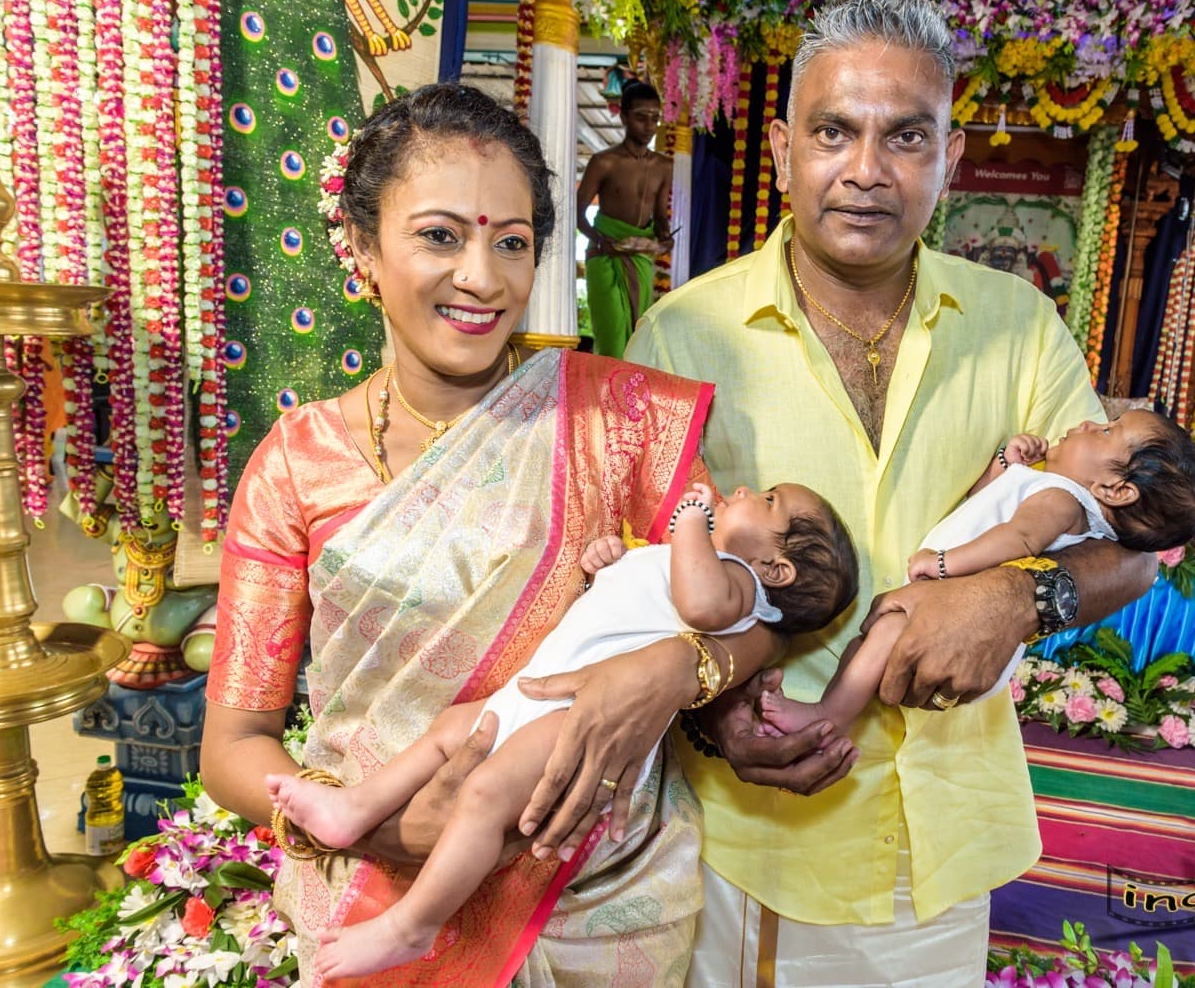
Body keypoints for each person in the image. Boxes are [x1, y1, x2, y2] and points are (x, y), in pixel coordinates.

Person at [624, 0, 1160, 984]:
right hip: (754, 839)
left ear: (949, 160)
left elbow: (1134, 546)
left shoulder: (1019, 324)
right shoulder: (681, 337)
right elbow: (634, 573)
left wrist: (1017, 596)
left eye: (906, 137)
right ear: (783, 147)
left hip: (943, 839)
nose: (867, 170)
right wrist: (711, 715)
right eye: (835, 132)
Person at [201, 82, 779, 988]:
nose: (481, 276)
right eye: (440, 235)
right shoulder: (297, 463)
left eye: (511, 243)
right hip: (370, 899)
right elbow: (234, 744)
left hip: (598, 898)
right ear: (361, 246)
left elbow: (757, 615)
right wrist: (371, 824)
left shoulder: (618, 422)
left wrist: (671, 670)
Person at [267, 480, 858, 979]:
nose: (747, 489)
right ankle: (356, 809)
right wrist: (610, 560)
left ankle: (411, 925)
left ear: (776, 568)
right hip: (542, 688)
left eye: (771, 499)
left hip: (583, 718)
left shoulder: (740, 588)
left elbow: (699, 607)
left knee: (485, 793)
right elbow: (643, 593)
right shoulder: (705, 564)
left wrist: (690, 520)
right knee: (450, 729)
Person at [761, 414, 1195, 739]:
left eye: (1105, 431)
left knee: (879, 642)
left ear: (1116, 490)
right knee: (871, 646)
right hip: (942, 604)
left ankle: (826, 716)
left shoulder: (1062, 500)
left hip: (949, 605)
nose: (1086, 424)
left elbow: (1017, 540)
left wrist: (944, 564)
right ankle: (829, 711)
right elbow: (984, 505)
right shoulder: (1052, 489)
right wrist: (1005, 466)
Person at [578, 80, 674, 358]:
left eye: (655, 118)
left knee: (638, 336)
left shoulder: (663, 166)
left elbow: (659, 216)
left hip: (641, 257)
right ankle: (604, 399)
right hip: (605, 256)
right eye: (641, 117)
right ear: (623, 117)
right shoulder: (604, 162)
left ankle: (628, 397)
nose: (649, 126)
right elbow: (578, 212)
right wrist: (600, 240)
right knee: (610, 335)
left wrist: (665, 237)